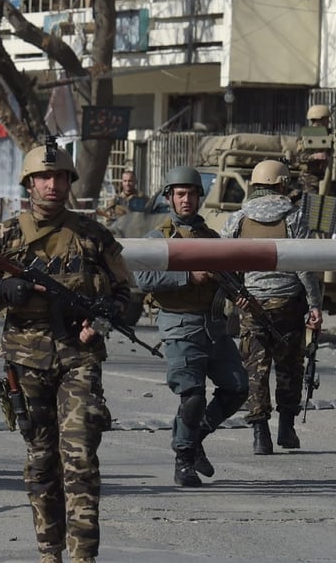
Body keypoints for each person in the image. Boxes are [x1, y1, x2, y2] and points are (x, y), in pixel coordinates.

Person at [0, 141, 130, 563]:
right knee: (40, 461)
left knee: (81, 459)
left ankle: (84, 556)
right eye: (44, 177)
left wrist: (101, 318)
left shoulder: (93, 236)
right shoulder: (5, 235)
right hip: (25, 360)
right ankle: (49, 552)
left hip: (79, 357)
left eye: (60, 177)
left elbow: (128, 296)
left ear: (70, 182)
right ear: (29, 183)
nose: (52, 185)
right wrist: (0, 287)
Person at [134, 166, 249, 487]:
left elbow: (227, 276)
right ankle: (183, 459)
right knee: (193, 395)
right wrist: (187, 276)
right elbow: (143, 278)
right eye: (180, 194)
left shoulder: (212, 238)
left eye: (192, 194)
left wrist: (235, 292)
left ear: (200, 197)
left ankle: (195, 437)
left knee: (237, 388)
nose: (186, 200)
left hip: (213, 325)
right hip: (179, 325)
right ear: (170, 197)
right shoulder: (158, 237)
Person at [220, 160, 322, 455]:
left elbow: (223, 263)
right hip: (287, 304)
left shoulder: (237, 218)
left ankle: (259, 436)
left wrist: (236, 295)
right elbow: (305, 267)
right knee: (289, 367)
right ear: (282, 185)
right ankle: (286, 430)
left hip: (251, 305)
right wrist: (315, 305)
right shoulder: (295, 217)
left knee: (256, 369)